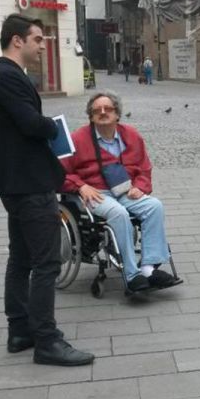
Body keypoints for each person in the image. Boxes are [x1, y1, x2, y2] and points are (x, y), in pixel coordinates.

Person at [0, 14, 94, 366]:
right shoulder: (7, 77)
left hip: (17, 182)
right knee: (45, 263)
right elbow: (31, 124)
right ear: (17, 41)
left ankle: (20, 330)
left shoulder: (6, 76)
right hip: (29, 184)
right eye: (38, 39)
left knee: (21, 257)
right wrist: (52, 128)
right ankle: (47, 340)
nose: (42, 46)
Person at [60, 91, 178, 292]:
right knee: (118, 213)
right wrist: (81, 186)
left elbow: (144, 167)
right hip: (96, 193)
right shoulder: (78, 139)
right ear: (91, 116)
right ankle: (132, 274)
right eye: (97, 110)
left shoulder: (131, 135)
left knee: (154, 206)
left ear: (117, 114)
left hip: (126, 190)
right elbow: (59, 173)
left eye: (108, 109)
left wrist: (140, 187)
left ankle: (149, 268)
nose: (103, 112)